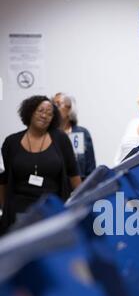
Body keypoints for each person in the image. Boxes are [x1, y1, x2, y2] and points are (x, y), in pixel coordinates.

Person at [0, 95, 81, 233]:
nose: (45, 115)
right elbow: (3, 180)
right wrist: (4, 208)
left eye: (50, 113)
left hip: (52, 209)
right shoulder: (11, 142)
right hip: (19, 211)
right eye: (41, 111)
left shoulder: (61, 139)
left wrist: (81, 204)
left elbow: (74, 175)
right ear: (30, 112)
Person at [53, 92, 96, 179]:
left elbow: (91, 169)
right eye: (52, 105)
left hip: (79, 188)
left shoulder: (82, 133)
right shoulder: (48, 134)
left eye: (58, 104)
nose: (53, 108)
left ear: (70, 109)